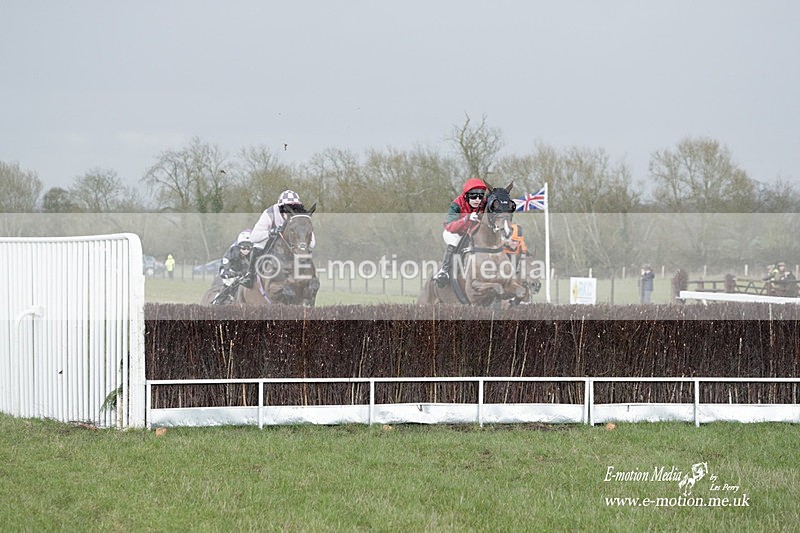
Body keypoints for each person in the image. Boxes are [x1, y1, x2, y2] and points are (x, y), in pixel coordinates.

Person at [434, 178, 487, 287]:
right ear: (466, 196)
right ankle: (443, 271)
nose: (477, 200)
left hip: (469, 233)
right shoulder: (456, 204)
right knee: (455, 240)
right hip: (454, 232)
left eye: (480, 196)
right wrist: (467, 218)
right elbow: (451, 227)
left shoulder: (483, 203)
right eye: (473, 196)